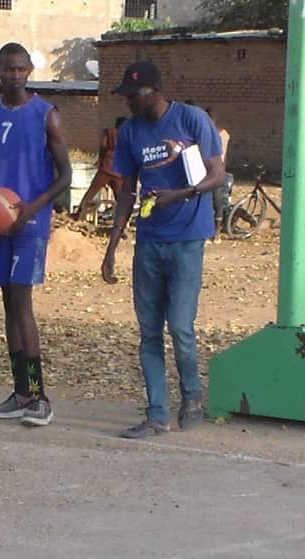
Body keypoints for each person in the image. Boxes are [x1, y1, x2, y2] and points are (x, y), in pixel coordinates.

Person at [100, 60, 226, 439]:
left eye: (133, 95)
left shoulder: (191, 120)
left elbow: (217, 174)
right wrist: (112, 244)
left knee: (182, 328)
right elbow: (126, 190)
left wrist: (182, 195)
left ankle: (192, 396)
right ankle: (157, 413)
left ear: (154, 91)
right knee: (149, 331)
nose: (128, 103)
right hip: (150, 242)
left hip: (187, 238)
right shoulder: (131, 133)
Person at [0, 42, 71, 427]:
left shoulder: (46, 115)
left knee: (22, 302)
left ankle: (39, 395)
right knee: (8, 306)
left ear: (30, 70)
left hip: (30, 220)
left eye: (20, 69)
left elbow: (64, 175)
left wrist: (31, 207)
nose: (14, 75)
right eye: (7, 69)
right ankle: (21, 392)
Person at [71, 116, 127, 221]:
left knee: (91, 192)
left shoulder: (109, 132)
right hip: (119, 170)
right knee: (120, 197)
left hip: (106, 166)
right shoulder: (128, 136)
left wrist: (100, 162)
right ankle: (123, 220)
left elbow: (102, 147)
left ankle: (79, 214)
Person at [206, 106, 233, 234]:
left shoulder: (217, 134)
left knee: (216, 198)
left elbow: (221, 154)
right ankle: (215, 227)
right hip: (215, 168)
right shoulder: (222, 133)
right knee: (215, 198)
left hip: (213, 169)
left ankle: (216, 228)